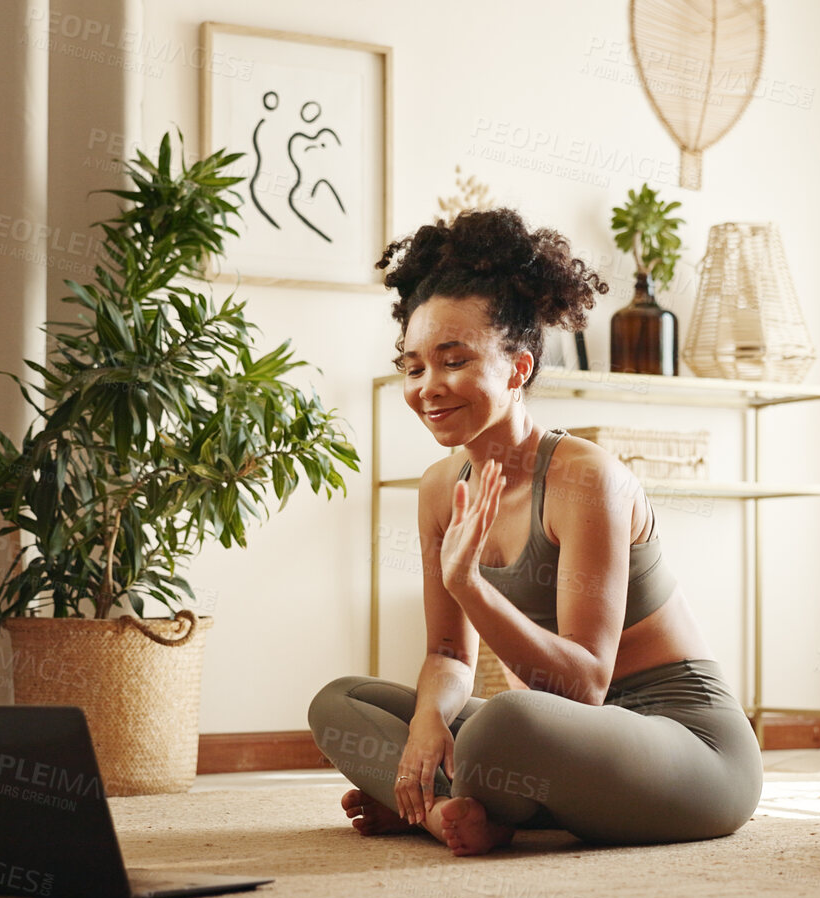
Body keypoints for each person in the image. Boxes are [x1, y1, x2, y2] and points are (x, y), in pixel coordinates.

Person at [307, 207, 764, 856]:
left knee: (504, 724)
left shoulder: (584, 478)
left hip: (685, 745)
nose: (427, 388)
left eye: (453, 360)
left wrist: (468, 583)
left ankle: (437, 800)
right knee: (343, 703)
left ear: (518, 368)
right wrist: (428, 722)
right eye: (414, 367)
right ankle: (444, 811)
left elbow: (583, 688)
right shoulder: (440, 487)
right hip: (564, 740)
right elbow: (447, 655)